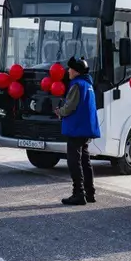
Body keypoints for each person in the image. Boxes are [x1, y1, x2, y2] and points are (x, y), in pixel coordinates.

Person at [55, 57, 100, 206]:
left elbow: (70, 107)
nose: (68, 71)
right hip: (86, 127)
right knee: (85, 160)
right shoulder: (88, 84)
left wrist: (60, 111)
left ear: (76, 71)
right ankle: (90, 192)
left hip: (76, 128)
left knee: (74, 161)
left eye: (70, 69)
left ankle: (78, 193)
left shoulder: (76, 85)